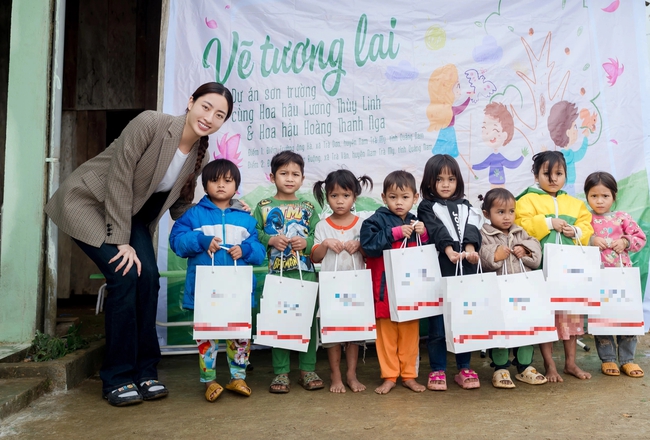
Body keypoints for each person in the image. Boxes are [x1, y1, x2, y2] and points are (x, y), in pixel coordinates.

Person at [45, 82, 233, 406]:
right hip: (89, 202)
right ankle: (117, 378)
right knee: (124, 275)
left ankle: (145, 372)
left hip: (130, 218)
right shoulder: (150, 123)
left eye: (219, 114)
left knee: (149, 280)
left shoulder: (196, 157)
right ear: (191, 102)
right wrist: (121, 241)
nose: (209, 117)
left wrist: (225, 210)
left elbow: (181, 207)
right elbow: (119, 177)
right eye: (206, 107)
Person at [169, 159, 265, 402]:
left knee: (239, 335)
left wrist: (245, 250)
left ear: (236, 186)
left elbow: (259, 251)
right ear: (205, 184)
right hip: (206, 292)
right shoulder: (193, 215)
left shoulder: (246, 219)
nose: (221, 185)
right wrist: (201, 241)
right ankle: (209, 381)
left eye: (228, 181)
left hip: (237, 291)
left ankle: (238, 377)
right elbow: (177, 242)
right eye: (214, 180)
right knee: (207, 336)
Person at [515, 151, 594, 382]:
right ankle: (550, 366)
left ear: (565, 175)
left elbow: (587, 226)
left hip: (570, 271)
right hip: (541, 269)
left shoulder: (575, 203)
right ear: (536, 175)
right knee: (546, 316)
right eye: (546, 173)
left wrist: (576, 231)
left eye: (558, 173)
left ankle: (570, 363)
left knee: (570, 315)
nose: (553, 179)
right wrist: (548, 222)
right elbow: (521, 226)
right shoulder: (526, 200)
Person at [253, 151, 322, 393]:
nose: (289, 178)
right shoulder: (263, 207)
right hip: (277, 276)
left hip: (306, 274)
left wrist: (308, 243)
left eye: (295, 174)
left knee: (307, 323)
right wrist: (270, 240)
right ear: (272, 177)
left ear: (303, 179)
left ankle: (307, 369)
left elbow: (320, 236)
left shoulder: (308, 207)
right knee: (279, 323)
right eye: (284, 173)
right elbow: (255, 235)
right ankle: (281, 373)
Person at [417, 154, 483, 390]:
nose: (446, 184)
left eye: (451, 179)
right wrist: (448, 250)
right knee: (438, 325)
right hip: (440, 270)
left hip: (465, 268)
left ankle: (464, 367)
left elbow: (473, 227)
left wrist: (470, 249)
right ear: (429, 182)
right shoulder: (426, 206)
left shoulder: (466, 205)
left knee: (464, 319)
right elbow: (433, 230)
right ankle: (437, 370)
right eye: (440, 179)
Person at [360, 170, 428, 395]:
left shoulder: (418, 222)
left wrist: (425, 235)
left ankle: (409, 376)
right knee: (386, 337)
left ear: (415, 198)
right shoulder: (375, 220)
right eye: (393, 197)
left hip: (411, 292)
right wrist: (394, 233)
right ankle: (389, 376)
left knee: (410, 336)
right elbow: (368, 246)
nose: (399, 203)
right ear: (383, 197)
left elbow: (427, 253)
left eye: (405, 197)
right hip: (384, 291)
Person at [477, 188, 547, 388]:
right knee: (500, 329)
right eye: (500, 212)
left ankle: (525, 367)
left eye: (511, 211)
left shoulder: (520, 232)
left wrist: (525, 249)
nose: (507, 217)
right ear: (486, 214)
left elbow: (535, 250)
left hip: (522, 293)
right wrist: (495, 253)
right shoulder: (484, 235)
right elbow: (483, 256)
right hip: (498, 295)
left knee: (525, 328)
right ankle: (500, 368)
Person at [311, 169, 373, 393]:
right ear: (327, 197)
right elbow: (315, 257)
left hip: (356, 288)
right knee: (333, 334)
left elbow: (370, 253)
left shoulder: (362, 224)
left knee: (354, 334)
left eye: (345, 196)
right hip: (331, 288)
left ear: (354, 197)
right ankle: (335, 374)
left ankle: (351, 374)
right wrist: (326, 244)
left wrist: (360, 246)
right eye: (334, 196)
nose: (340, 201)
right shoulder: (322, 226)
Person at [584, 171, 646, 378]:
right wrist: (591, 240)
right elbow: (577, 239)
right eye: (594, 196)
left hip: (622, 276)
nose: (599, 201)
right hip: (597, 277)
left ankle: (628, 360)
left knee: (626, 317)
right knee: (603, 319)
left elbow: (640, 238)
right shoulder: (586, 219)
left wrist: (626, 242)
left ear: (614, 196)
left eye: (605, 196)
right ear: (587, 197)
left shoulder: (622, 218)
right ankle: (608, 358)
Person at [472, 103, 524, 188]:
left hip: (501, 182)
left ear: (504, 135)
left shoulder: (500, 157)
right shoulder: (491, 157)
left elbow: (511, 164)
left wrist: (522, 157)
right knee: (492, 198)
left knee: (502, 198)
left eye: (495, 130)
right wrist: (473, 166)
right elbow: (483, 164)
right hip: (492, 183)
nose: (489, 134)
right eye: (484, 129)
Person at [426, 64, 473, 157]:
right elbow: (461, 108)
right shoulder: (448, 110)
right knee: (446, 149)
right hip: (448, 131)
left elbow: (460, 108)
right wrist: (468, 98)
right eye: (457, 86)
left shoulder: (448, 109)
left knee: (444, 149)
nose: (459, 91)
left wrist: (468, 98)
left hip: (447, 131)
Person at [548, 101, 592, 195]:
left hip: (570, 185)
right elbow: (580, 154)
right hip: (564, 186)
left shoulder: (569, 153)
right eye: (575, 127)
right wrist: (585, 139)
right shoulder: (560, 156)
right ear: (567, 133)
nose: (576, 131)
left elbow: (580, 154)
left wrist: (585, 139)